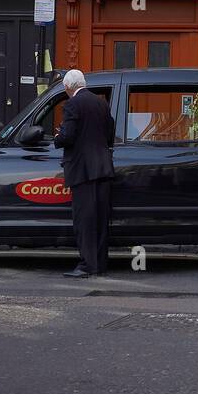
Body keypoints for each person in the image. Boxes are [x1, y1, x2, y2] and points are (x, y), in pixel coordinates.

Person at [54, 70, 115, 279]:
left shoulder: (72, 104)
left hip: (83, 170)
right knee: (99, 219)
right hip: (103, 168)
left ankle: (87, 265)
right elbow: (109, 134)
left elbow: (68, 137)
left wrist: (58, 137)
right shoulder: (101, 103)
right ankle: (99, 264)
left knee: (84, 220)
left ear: (68, 87)